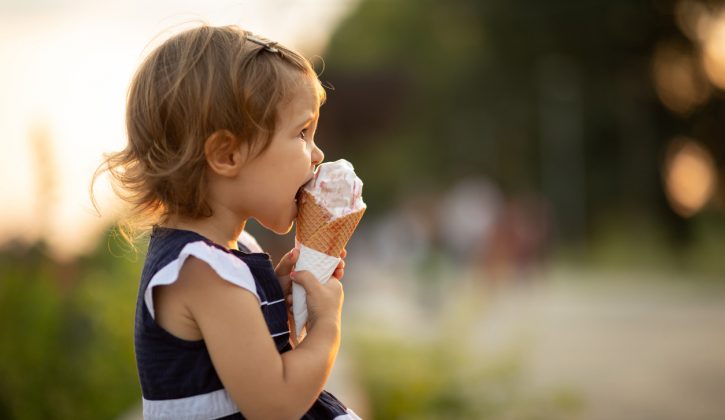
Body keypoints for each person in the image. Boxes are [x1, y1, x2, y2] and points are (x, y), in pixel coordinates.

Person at [93, 24, 359, 419]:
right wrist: (326, 328)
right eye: (302, 133)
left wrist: (280, 303)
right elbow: (275, 405)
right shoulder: (201, 271)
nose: (317, 154)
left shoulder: (232, 256)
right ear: (227, 155)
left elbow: (244, 358)